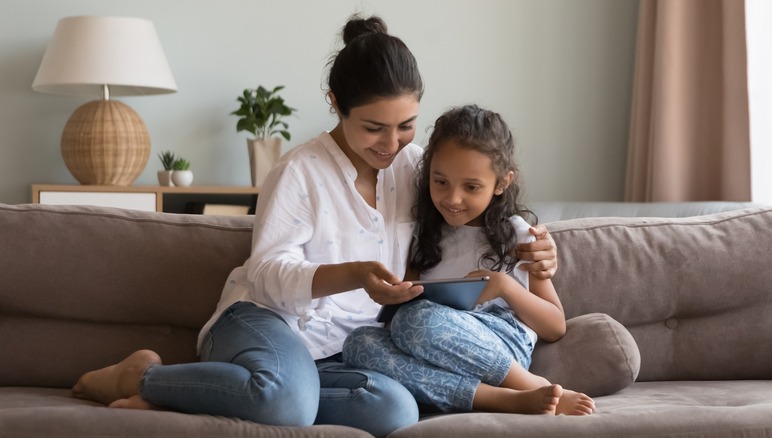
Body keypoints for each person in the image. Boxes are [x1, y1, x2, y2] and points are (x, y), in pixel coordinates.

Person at [71, 17, 559, 437]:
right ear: (335, 103)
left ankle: (227, 394)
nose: (392, 143)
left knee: (395, 409)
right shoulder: (298, 172)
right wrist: (351, 274)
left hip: (344, 349)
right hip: (265, 318)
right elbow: (268, 272)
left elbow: (478, 198)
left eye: (406, 124)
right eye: (373, 127)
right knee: (286, 403)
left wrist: (541, 253)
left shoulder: (416, 167)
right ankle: (143, 378)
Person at [343, 104, 595, 416]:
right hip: (433, 341)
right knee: (359, 344)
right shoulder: (426, 233)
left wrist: (505, 287)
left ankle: (528, 385)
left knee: (416, 319)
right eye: (441, 182)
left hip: (500, 346)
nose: (452, 198)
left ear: (502, 183)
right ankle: (497, 399)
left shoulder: (520, 236)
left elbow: (555, 326)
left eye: (471, 187)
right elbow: (404, 311)